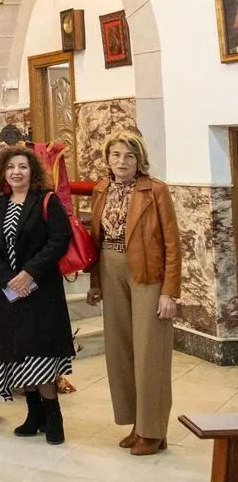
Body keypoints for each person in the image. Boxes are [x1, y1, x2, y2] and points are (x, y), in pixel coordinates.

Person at [87, 131, 181, 456]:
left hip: (146, 275)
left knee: (149, 353)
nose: (122, 162)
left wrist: (170, 291)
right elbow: (94, 241)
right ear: (107, 159)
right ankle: (137, 424)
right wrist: (94, 282)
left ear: (139, 159)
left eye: (129, 155)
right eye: (115, 155)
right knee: (120, 352)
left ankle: (153, 432)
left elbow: (172, 243)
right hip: (110, 272)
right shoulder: (101, 189)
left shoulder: (155, 190)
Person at [0, 146, 75, 445]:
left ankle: (53, 416)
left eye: (22, 166)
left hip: (41, 291)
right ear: (3, 173)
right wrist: (9, 278)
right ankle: (33, 414)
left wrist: (30, 272)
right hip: (12, 292)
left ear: (32, 170)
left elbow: (59, 239)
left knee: (41, 354)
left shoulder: (46, 200)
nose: (17, 172)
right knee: (20, 354)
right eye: (11, 167)